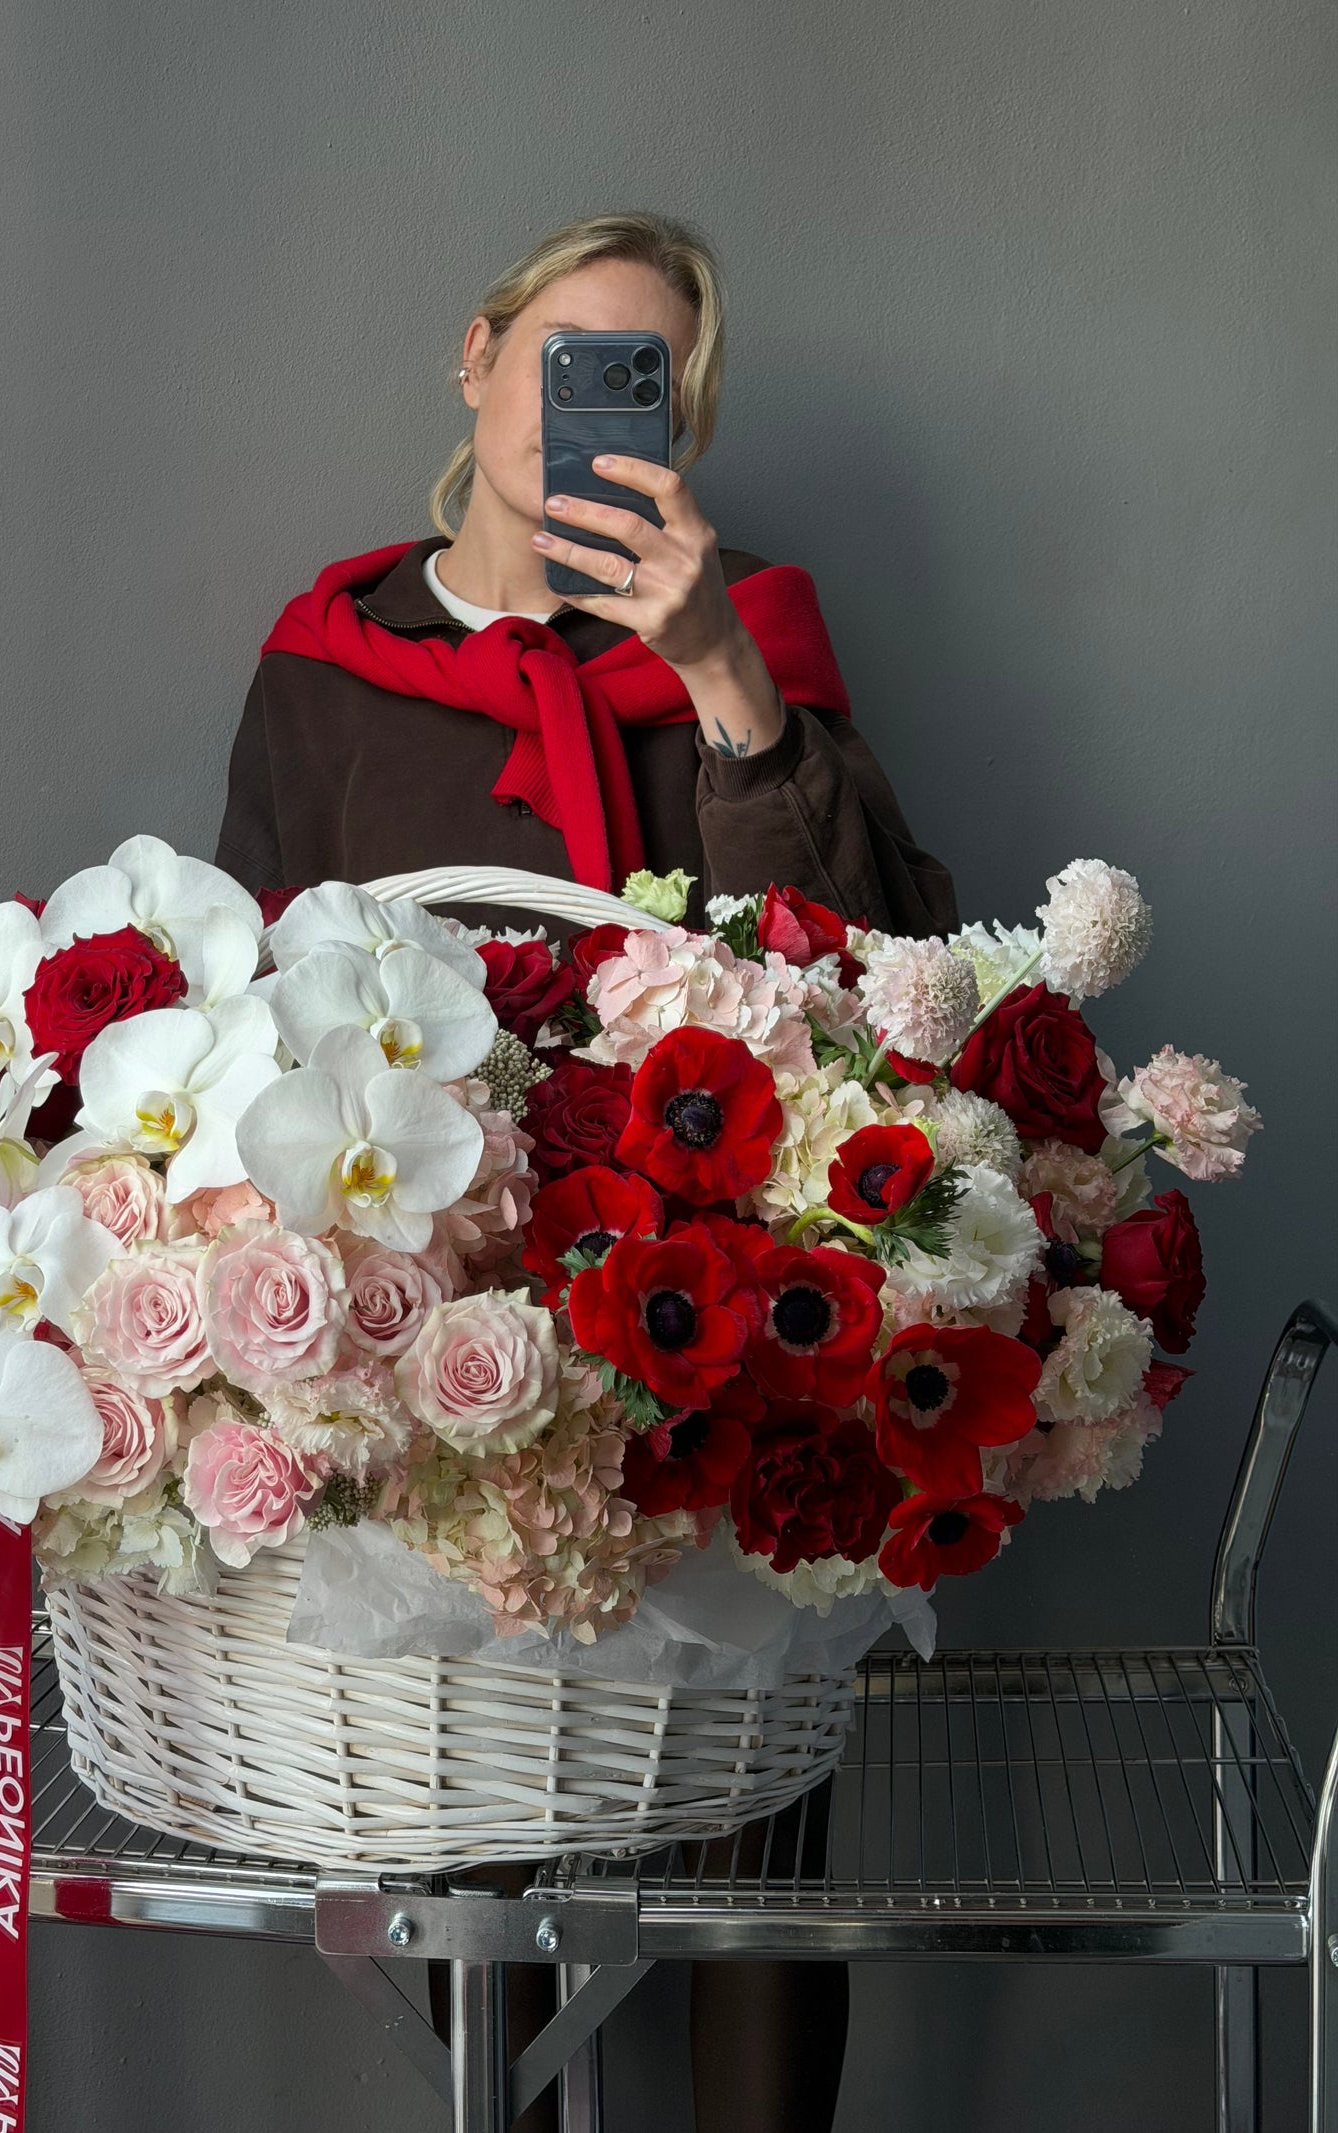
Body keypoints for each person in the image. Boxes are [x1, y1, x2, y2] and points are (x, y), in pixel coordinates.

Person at [214, 211, 957, 2133]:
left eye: (649, 388)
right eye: (566, 355)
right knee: (469, 1820)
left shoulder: (748, 633)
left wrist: (718, 679)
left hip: (709, 1295)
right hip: (450, 1316)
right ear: (478, 358)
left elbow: (879, 981)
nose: (592, 415)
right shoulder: (327, 669)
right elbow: (255, 984)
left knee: (752, 1811)